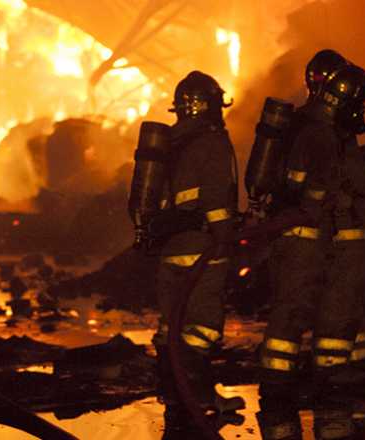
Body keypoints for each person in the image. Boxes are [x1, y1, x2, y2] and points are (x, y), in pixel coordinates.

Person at [257, 63, 365, 440]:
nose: (360, 111)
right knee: (297, 315)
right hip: (307, 240)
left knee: (294, 314)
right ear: (342, 100)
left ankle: (283, 391)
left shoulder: (308, 128)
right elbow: (342, 184)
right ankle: (288, 394)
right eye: (358, 103)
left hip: (303, 240)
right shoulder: (323, 136)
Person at [127, 70, 243, 436]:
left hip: (170, 252)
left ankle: (176, 399)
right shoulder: (212, 143)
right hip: (202, 249)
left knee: (170, 328)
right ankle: (202, 404)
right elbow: (214, 199)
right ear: (209, 105)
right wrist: (227, 236)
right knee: (201, 329)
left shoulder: (167, 145)